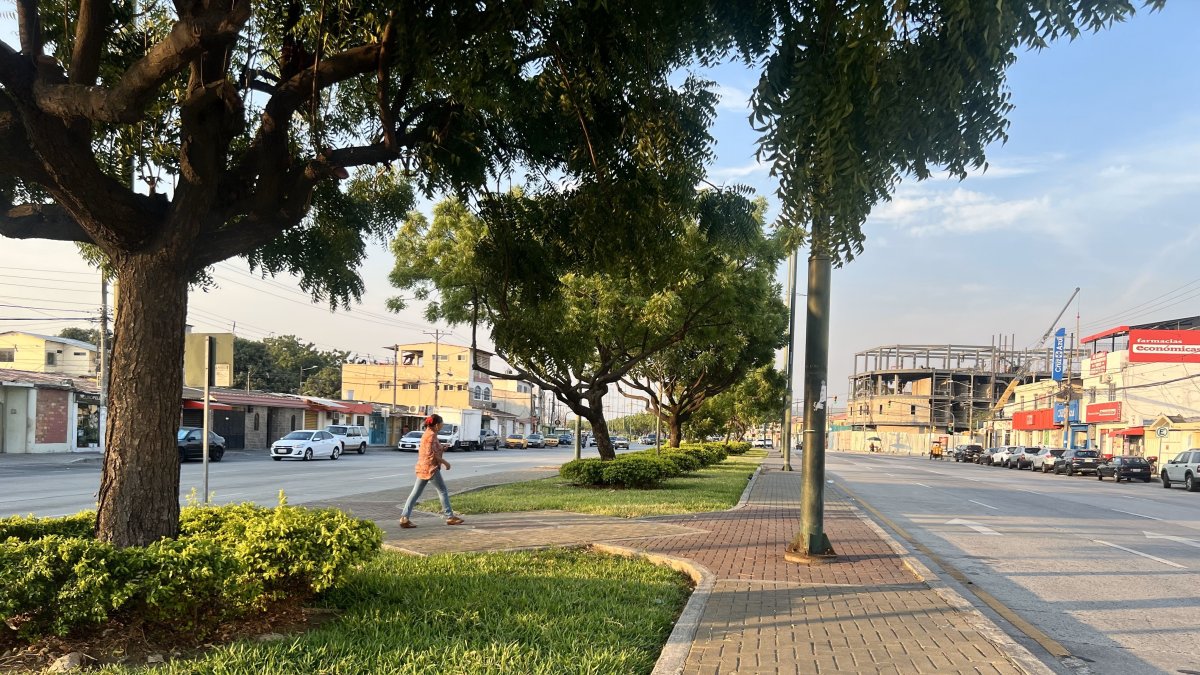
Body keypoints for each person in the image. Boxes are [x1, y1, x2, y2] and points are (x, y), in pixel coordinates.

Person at [398, 414, 464, 528]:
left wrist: (442, 448)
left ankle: (404, 518)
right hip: (430, 468)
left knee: (415, 493)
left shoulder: (428, 434)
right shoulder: (431, 435)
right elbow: (432, 455)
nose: (442, 425)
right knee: (442, 491)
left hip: (422, 468)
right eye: (442, 423)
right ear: (437, 425)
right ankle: (450, 517)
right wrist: (445, 462)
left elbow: (432, 450)